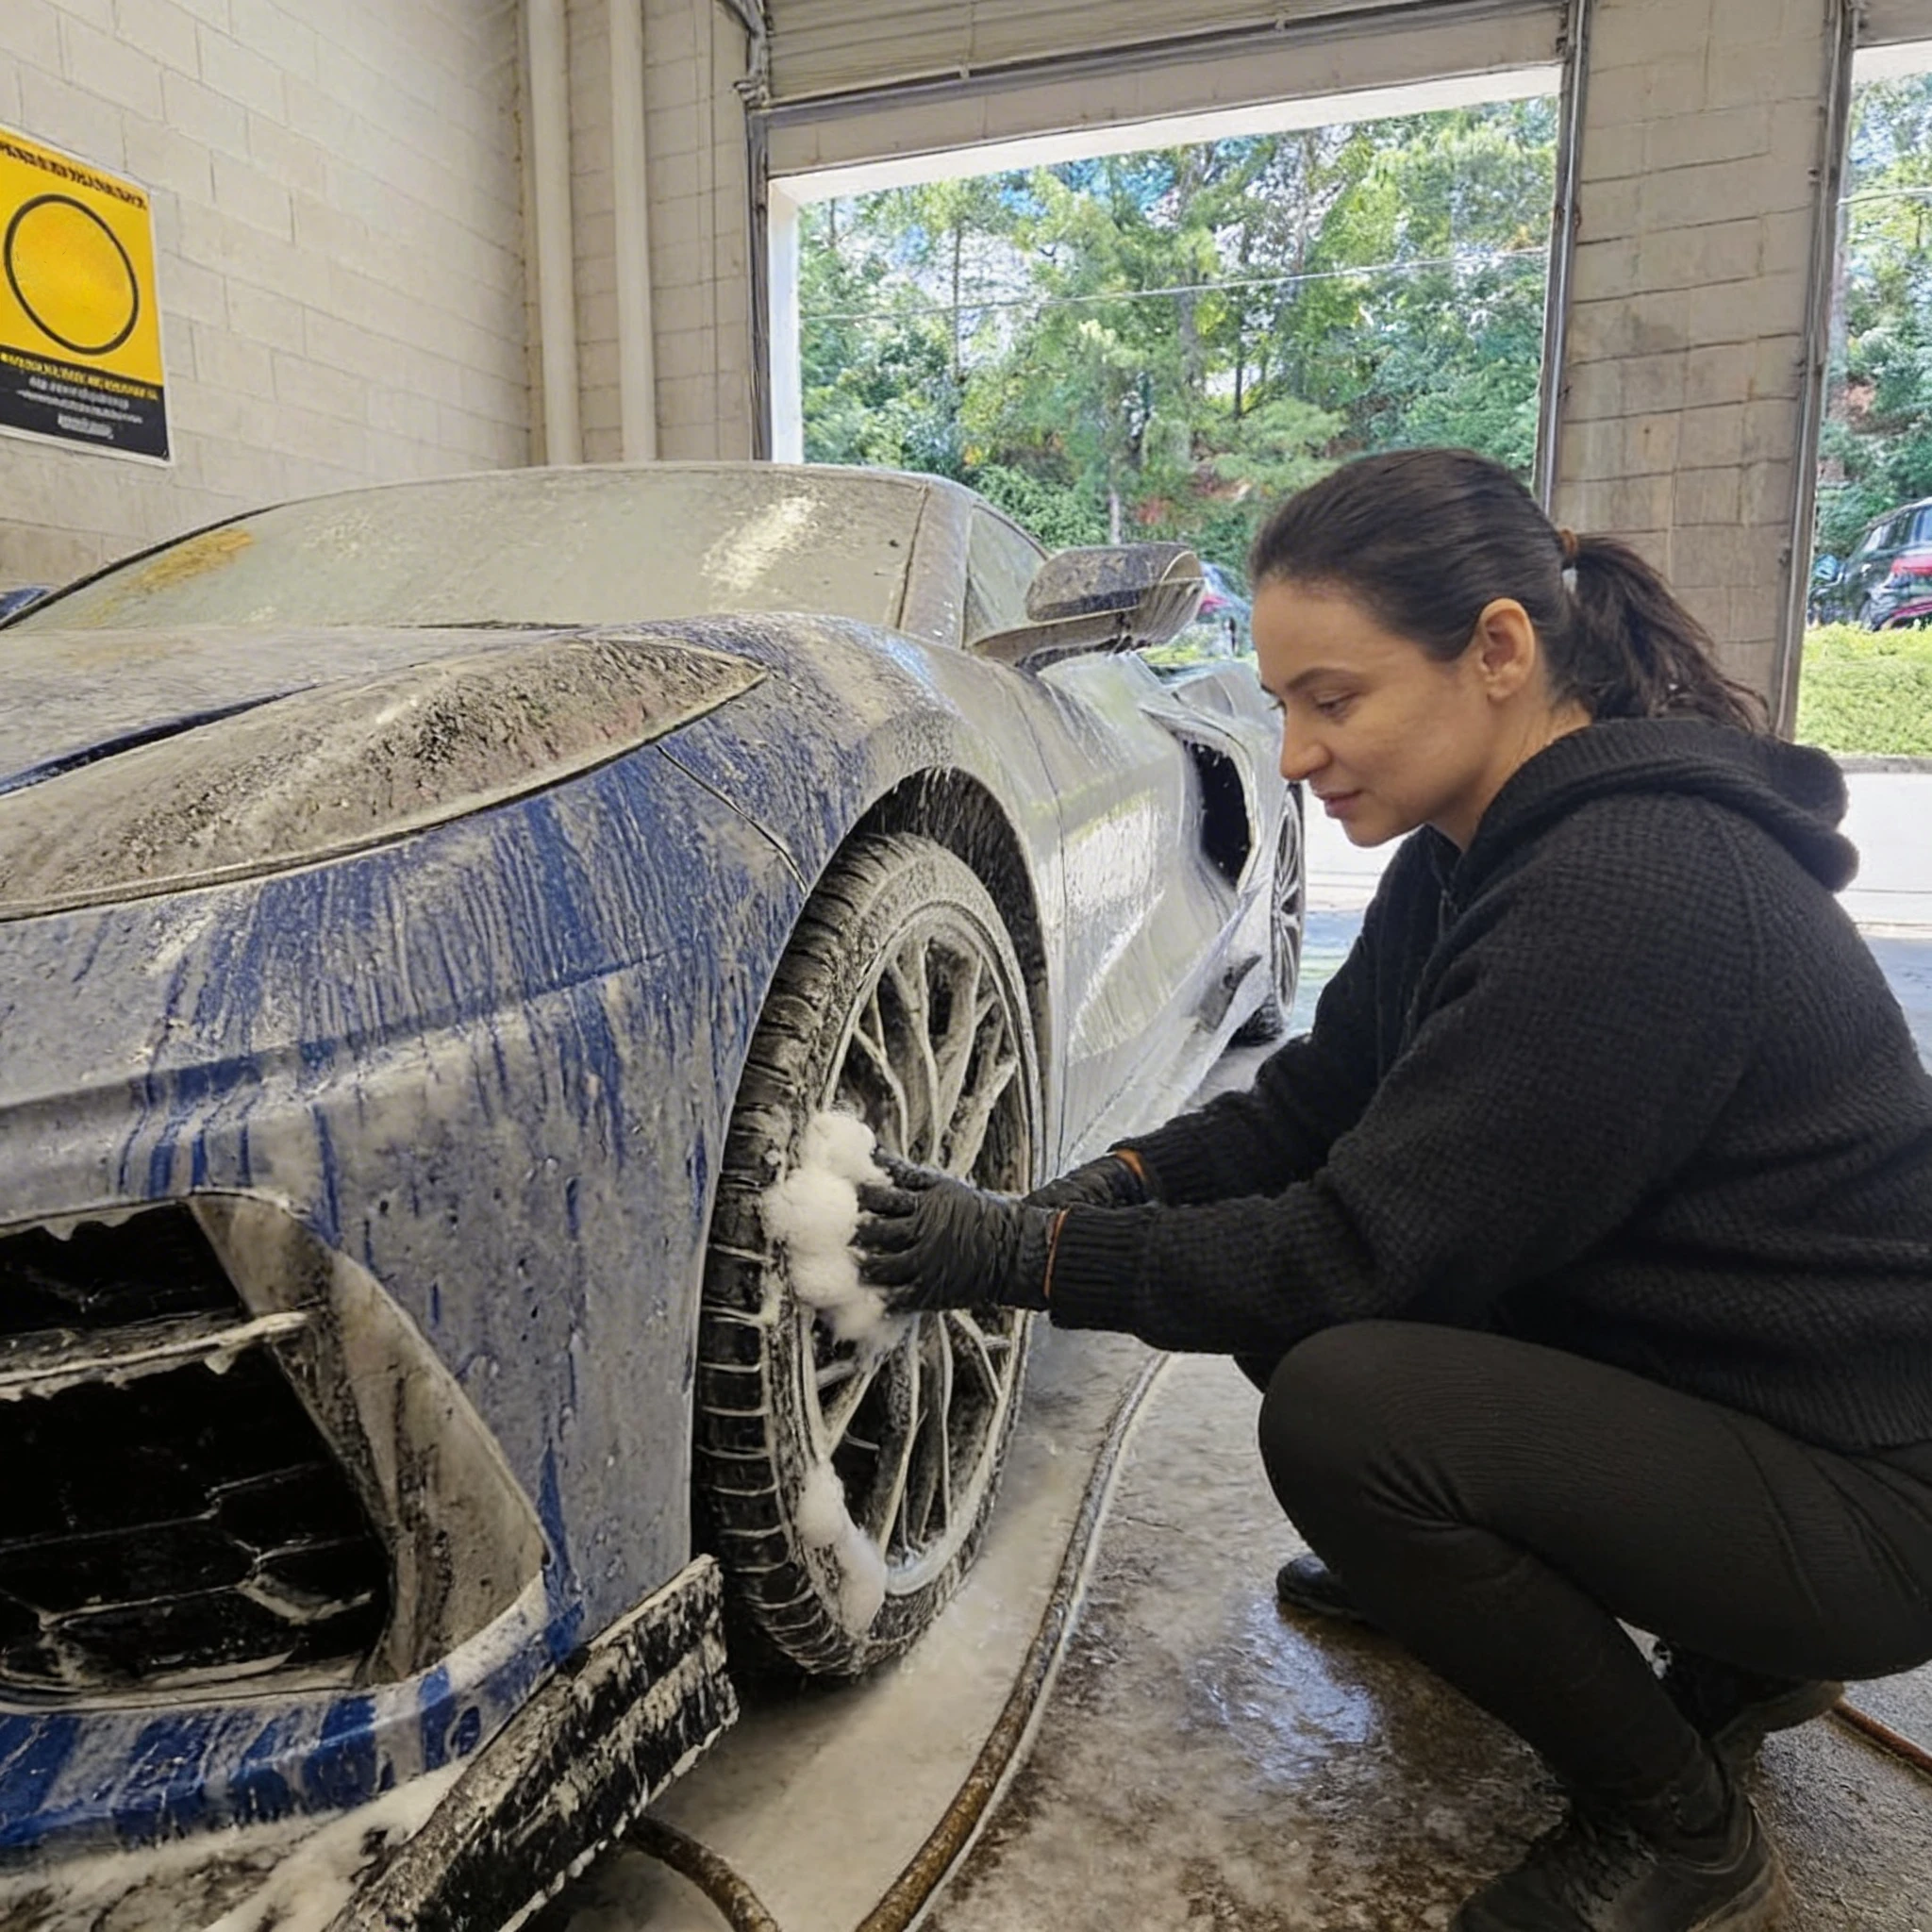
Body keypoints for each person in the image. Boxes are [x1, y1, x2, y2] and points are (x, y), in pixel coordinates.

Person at [854, 449, 1932, 1932]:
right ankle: (1649, 1621)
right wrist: (1109, 1187)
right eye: (1282, 704)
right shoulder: (1476, 850)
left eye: (1334, 699)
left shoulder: (1632, 893)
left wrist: (1018, 1260)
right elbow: (1316, 1103)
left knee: (1349, 1409)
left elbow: (1350, 1254)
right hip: (1738, 1393)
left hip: (1869, 1503)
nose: (1294, 754)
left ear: (1498, 650)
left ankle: (1680, 1830)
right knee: (1317, 1336)